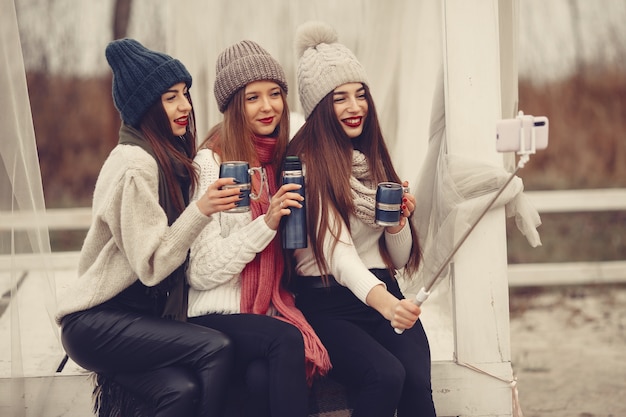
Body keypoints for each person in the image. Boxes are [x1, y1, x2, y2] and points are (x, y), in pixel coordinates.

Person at [55, 38, 235, 417]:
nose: (186, 105)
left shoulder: (164, 157)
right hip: (97, 322)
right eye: (171, 97)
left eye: (185, 93)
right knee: (216, 347)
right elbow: (151, 263)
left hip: (133, 320)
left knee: (181, 391)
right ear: (147, 107)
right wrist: (200, 210)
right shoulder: (134, 165)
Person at [286, 21, 437, 417]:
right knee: (385, 376)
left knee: (417, 385)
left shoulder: (372, 163)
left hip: (382, 290)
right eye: (340, 99)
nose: (355, 108)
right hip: (328, 301)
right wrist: (389, 306)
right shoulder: (305, 167)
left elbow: (399, 259)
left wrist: (397, 224)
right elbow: (338, 256)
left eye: (360, 95)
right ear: (320, 108)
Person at [186, 40, 331, 417]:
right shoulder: (211, 164)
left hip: (265, 311)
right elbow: (199, 271)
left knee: (260, 377)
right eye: (253, 98)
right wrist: (265, 224)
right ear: (235, 106)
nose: (268, 107)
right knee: (286, 341)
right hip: (216, 312)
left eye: (275, 94)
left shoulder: (280, 162)